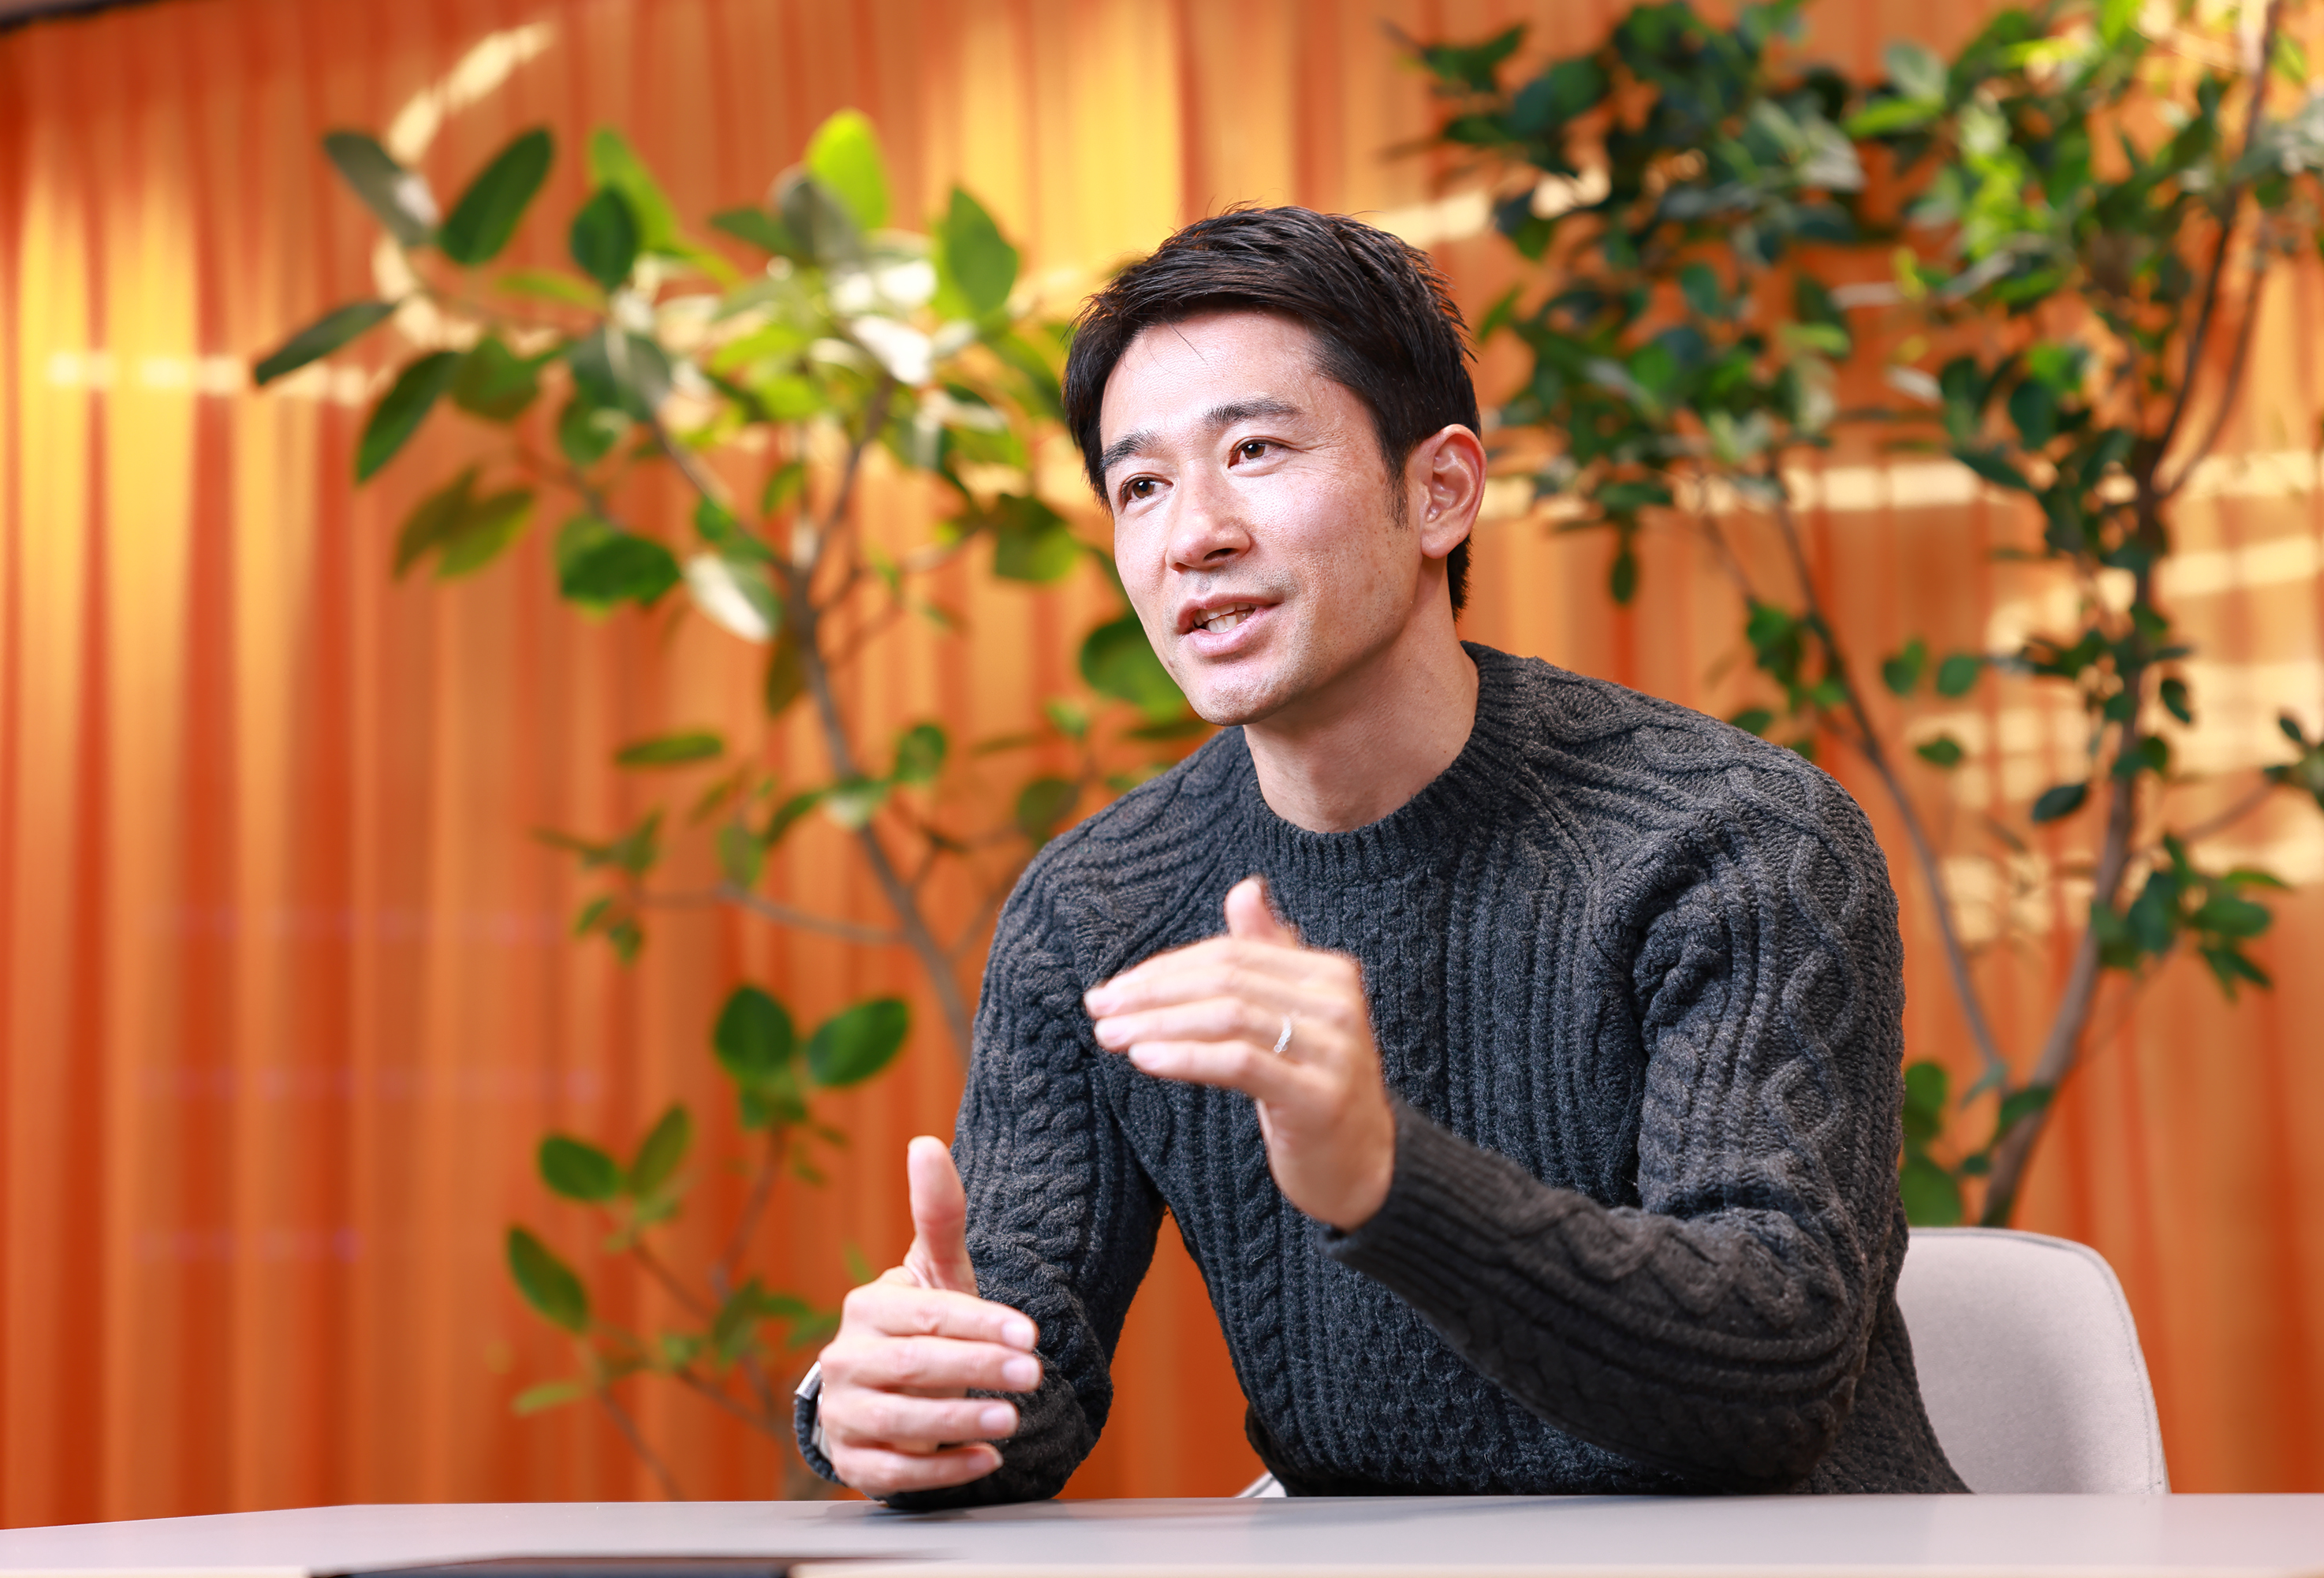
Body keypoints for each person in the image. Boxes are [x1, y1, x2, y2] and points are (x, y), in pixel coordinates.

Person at [795, 206, 1967, 1503]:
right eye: (1141, 486)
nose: (1193, 534)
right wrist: (911, 1400)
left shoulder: (1731, 838)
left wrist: (1386, 1179)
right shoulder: (1095, 912)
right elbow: (1028, 1383)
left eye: (1254, 449)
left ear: (1440, 491)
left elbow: (1774, 1369)